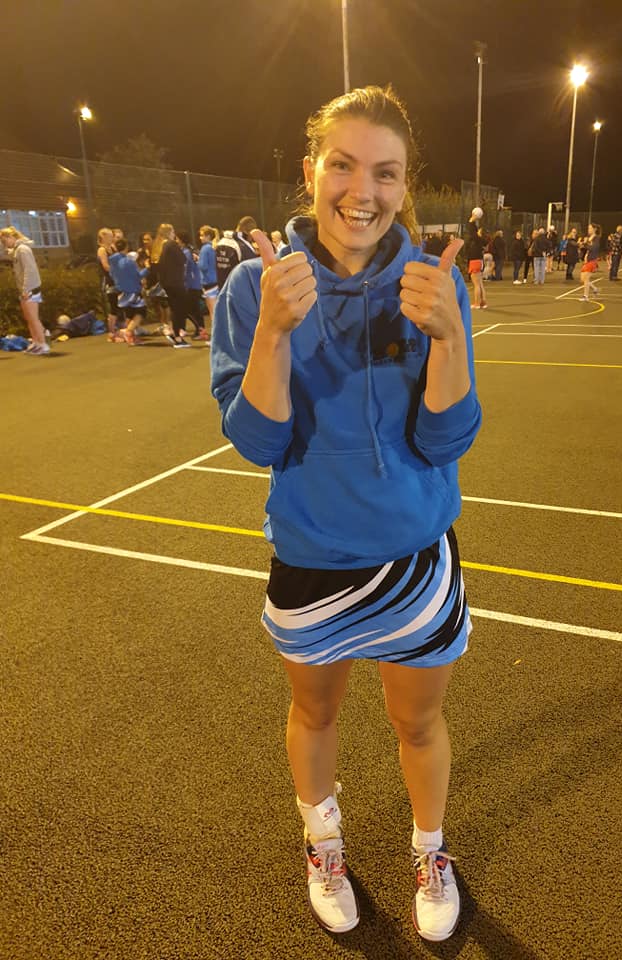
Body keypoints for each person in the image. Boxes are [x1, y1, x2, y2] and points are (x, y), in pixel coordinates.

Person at [210, 84, 482, 943]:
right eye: (343, 165)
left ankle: (430, 852)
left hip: (415, 556)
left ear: (406, 187)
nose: (362, 191)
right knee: (315, 715)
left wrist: (448, 336)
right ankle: (322, 846)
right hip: (313, 557)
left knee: (419, 723)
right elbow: (257, 441)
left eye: (386, 173)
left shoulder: (432, 282)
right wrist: (273, 330)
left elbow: (447, 439)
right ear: (310, 171)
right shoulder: (256, 286)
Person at [0, 226, 49, 354]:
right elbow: (5, 254)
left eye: (5, 241)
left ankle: (43, 344)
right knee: (29, 318)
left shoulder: (23, 249)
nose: (5, 244)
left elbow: (30, 270)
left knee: (33, 318)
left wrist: (26, 289)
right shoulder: (17, 250)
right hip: (25, 289)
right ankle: (36, 342)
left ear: (11, 237)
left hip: (30, 288)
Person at [152, 223, 190, 347]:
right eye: (173, 231)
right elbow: (183, 259)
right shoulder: (171, 244)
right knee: (179, 309)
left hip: (167, 283)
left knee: (175, 308)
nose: (174, 234)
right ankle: (178, 337)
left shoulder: (159, 246)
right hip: (175, 281)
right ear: (168, 232)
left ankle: (175, 333)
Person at [108, 238, 147, 345]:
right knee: (141, 312)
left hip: (121, 291)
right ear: (126, 247)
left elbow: (111, 274)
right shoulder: (128, 261)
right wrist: (147, 269)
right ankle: (129, 332)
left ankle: (132, 338)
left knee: (129, 314)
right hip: (133, 290)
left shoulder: (113, 261)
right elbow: (137, 276)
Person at [97, 227, 120, 341]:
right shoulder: (102, 250)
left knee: (121, 304)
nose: (112, 238)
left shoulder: (113, 248)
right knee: (113, 306)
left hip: (118, 280)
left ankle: (122, 329)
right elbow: (105, 266)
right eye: (110, 236)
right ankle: (111, 332)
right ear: (104, 237)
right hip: (109, 281)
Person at [198, 226, 220, 323]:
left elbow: (203, 266)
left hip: (208, 282)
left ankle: (216, 331)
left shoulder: (205, 248)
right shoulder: (215, 246)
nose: (200, 238)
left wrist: (197, 261)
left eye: (202, 235)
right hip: (217, 281)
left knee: (213, 311)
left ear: (208, 236)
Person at [465, 226, 488, 307]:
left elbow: (472, 231)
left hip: (475, 262)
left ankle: (477, 303)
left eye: (479, 231)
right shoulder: (481, 241)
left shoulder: (478, 240)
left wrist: (472, 221)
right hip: (479, 261)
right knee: (480, 283)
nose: (477, 231)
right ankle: (483, 302)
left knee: (476, 284)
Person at [580, 222, 602, 301]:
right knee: (582, 278)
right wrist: (582, 244)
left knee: (586, 278)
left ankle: (585, 296)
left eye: (590, 228)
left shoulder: (596, 238)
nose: (588, 230)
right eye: (588, 228)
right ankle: (595, 289)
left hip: (592, 259)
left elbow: (593, 248)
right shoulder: (589, 238)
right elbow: (586, 248)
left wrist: (586, 244)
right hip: (587, 260)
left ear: (594, 229)